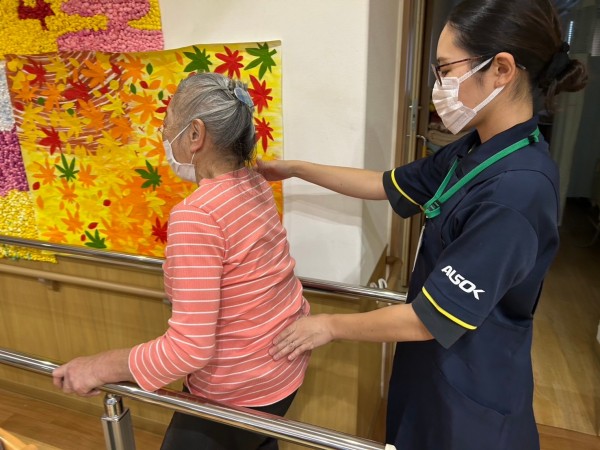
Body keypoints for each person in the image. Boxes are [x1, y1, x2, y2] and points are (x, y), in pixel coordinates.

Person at [257, 1, 588, 449]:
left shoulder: (517, 192)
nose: (439, 86)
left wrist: (329, 326)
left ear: (502, 70)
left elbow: (429, 319)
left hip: (470, 394)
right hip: (434, 371)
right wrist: (295, 169)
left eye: (446, 70)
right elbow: (383, 183)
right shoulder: (475, 151)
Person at [52, 72, 310, 450]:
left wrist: (98, 367)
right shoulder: (255, 184)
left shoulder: (198, 215)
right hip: (282, 374)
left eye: (168, 121)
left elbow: (189, 349)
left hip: (236, 391)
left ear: (195, 134)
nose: (163, 132)